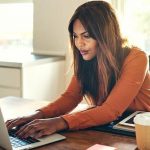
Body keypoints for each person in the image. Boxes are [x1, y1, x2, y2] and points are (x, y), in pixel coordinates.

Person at [6, 1, 150, 139]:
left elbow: (110, 110)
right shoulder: (87, 57)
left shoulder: (137, 58)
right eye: (75, 36)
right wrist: (36, 116)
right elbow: (71, 97)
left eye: (86, 36)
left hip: (142, 129)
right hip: (111, 127)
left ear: (105, 35)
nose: (79, 43)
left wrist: (58, 122)